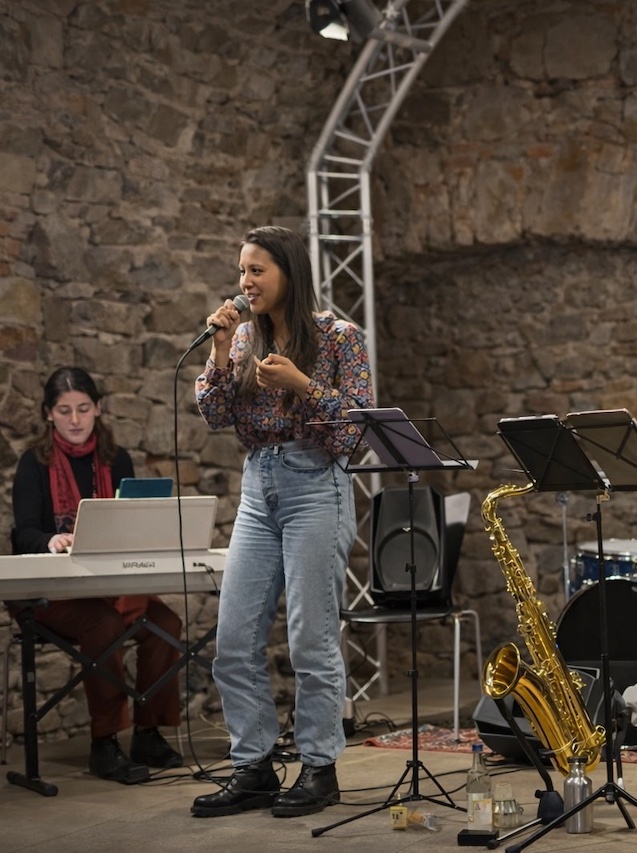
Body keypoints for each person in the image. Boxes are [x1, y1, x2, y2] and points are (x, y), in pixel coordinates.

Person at [189, 225, 374, 819]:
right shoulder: (243, 336)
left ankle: (320, 768)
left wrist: (304, 386)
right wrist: (218, 352)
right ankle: (254, 767)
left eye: (257, 270)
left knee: (309, 640)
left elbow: (358, 433)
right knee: (233, 640)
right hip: (257, 487)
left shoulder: (340, 337)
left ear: (288, 273)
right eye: (242, 271)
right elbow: (216, 415)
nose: (245, 283)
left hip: (316, 484)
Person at [12, 366, 184, 784]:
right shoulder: (33, 463)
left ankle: (148, 733)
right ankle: (103, 744)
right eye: (64, 410)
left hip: (108, 582)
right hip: (51, 592)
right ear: (48, 414)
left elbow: (129, 523)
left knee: (165, 622)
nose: (75, 419)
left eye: (83, 409)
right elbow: (24, 532)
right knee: (105, 625)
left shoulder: (115, 457)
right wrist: (52, 540)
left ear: (98, 410)